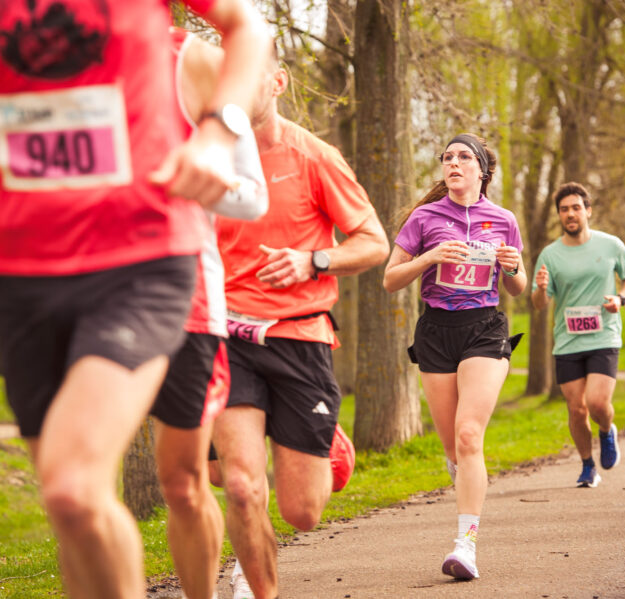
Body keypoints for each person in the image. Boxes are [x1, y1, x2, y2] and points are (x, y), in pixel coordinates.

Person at [0, 1, 272, 597]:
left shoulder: (185, 55)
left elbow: (249, 27)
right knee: (72, 511)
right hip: (21, 268)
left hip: (142, 258)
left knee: (76, 484)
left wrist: (216, 134)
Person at [212, 51, 390, 599]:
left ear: (278, 81)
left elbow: (374, 243)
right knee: (241, 487)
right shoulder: (207, 157)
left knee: (302, 511)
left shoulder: (315, 156)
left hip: (300, 336)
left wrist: (312, 260)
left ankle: (324, 440)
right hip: (227, 337)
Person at [149, 27, 267, 599]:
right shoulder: (45, 49)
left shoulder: (192, 61)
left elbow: (251, 197)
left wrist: (189, 171)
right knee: (75, 486)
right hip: (80, 291)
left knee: (184, 482)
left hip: (186, 298)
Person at [383, 134, 527, 580]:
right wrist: (428, 258)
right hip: (437, 332)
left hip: (484, 328)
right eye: (447, 158)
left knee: (468, 436)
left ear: (482, 171)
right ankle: (464, 476)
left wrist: (514, 267)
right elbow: (390, 279)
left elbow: (517, 289)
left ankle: (465, 545)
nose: (454, 163)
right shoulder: (424, 218)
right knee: (453, 447)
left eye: (464, 157)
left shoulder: (502, 219)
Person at [531, 182, 625, 488]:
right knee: (576, 410)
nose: (570, 214)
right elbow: (539, 304)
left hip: (604, 335)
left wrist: (621, 298)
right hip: (568, 341)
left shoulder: (611, 245)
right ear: (559, 216)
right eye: (564, 210)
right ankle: (587, 466)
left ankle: (607, 431)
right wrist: (540, 289)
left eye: (576, 207)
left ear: (587, 211)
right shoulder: (550, 255)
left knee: (596, 403)